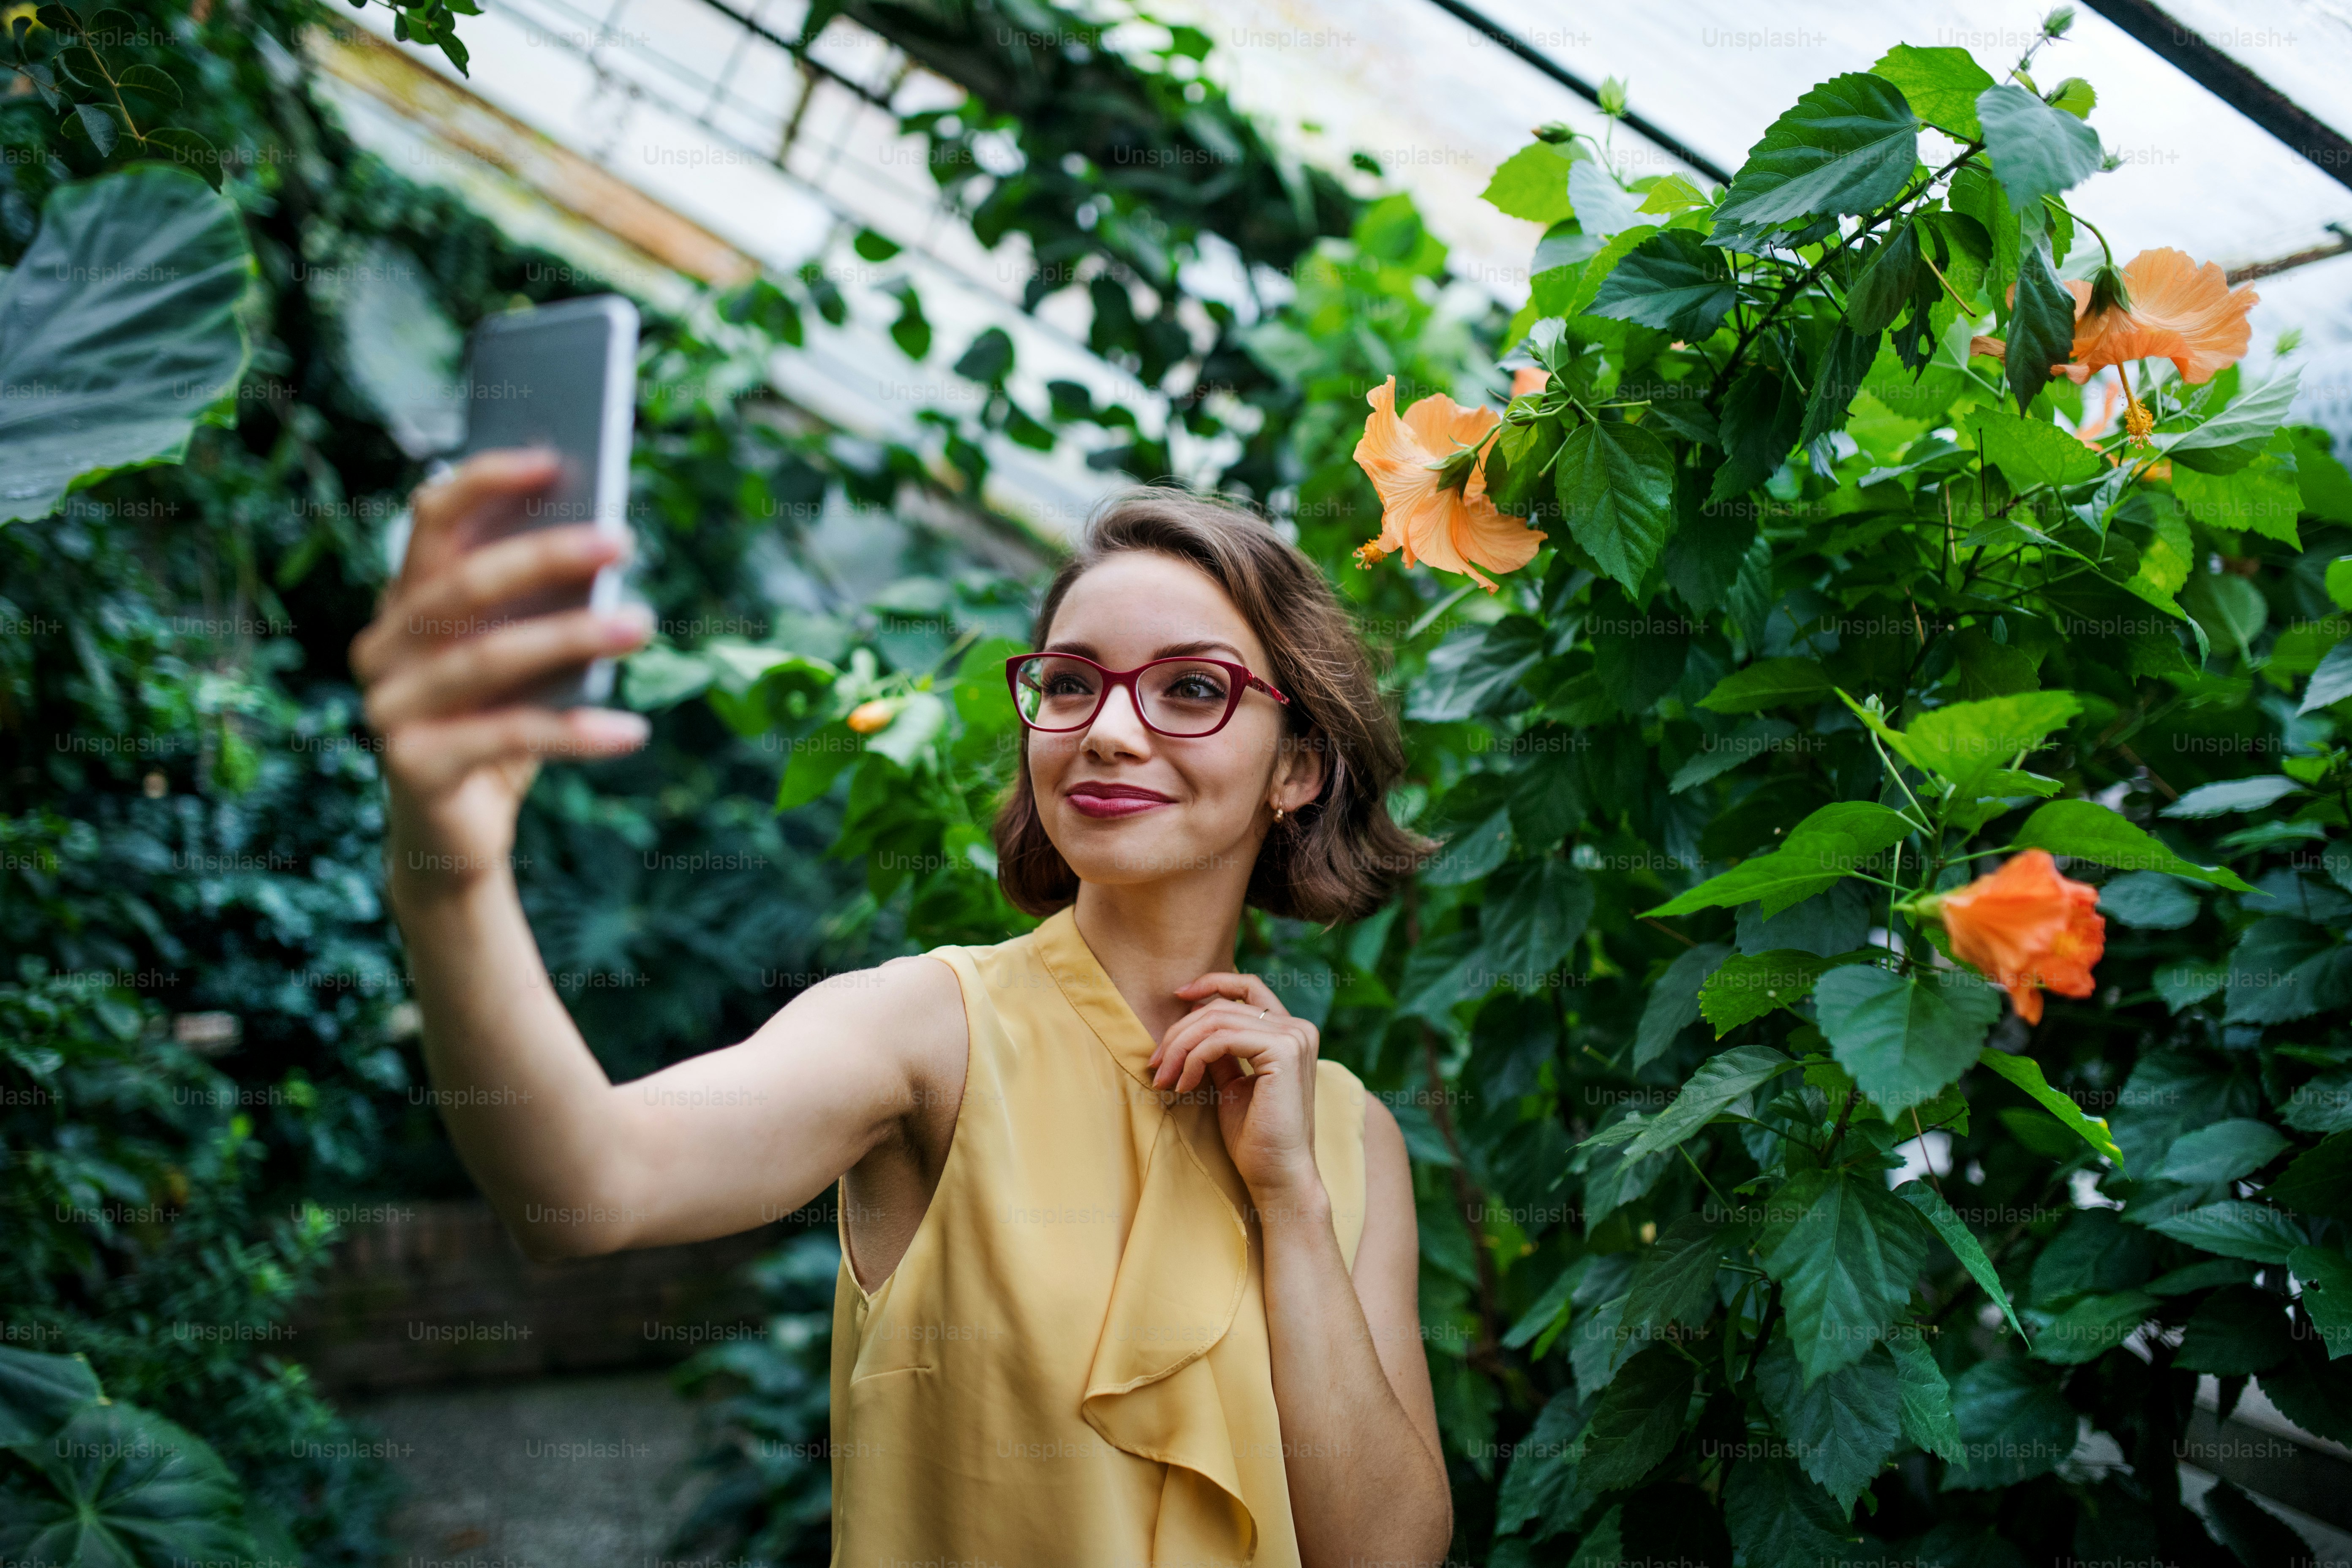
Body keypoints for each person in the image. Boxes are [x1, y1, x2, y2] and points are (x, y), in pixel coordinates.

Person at [354, 450, 1454, 1568]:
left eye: (1192, 689)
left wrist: (1291, 1205)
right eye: (1070, 683)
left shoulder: (1346, 1137)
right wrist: (447, 874)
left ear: (1298, 769)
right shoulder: (930, 1034)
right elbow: (585, 1192)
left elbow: (1392, 1553)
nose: (1110, 731)